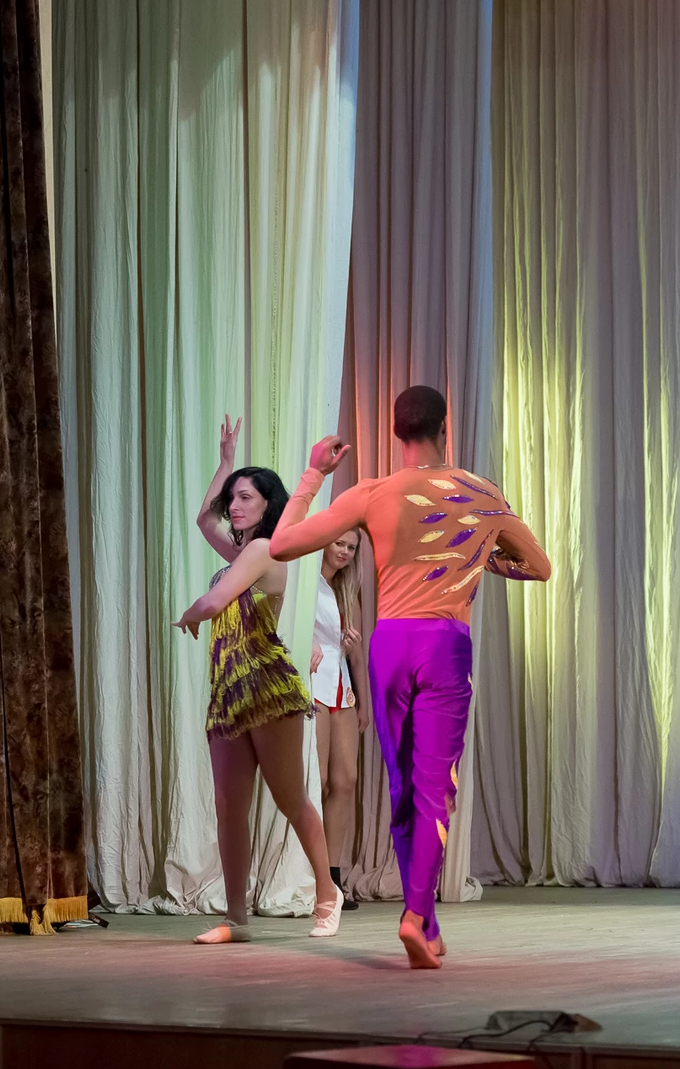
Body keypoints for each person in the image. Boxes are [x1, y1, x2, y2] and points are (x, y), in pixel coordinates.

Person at [269, 387, 551, 969]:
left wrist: (314, 475)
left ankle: (425, 919)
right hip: (443, 644)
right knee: (434, 786)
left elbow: (282, 543)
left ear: (397, 433)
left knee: (403, 786)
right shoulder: (481, 494)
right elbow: (539, 567)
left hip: (390, 644)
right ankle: (416, 916)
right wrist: (479, 555)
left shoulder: (371, 493)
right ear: (445, 427)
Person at [174, 415, 343, 944]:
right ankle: (236, 918)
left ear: (268, 506)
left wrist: (192, 613)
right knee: (229, 808)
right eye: (233, 497)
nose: (234, 505)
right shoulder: (241, 554)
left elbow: (215, 602)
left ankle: (327, 893)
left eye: (245, 497)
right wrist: (226, 463)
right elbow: (204, 519)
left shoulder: (265, 551)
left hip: (267, 687)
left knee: (292, 799)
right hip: (229, 691)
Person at [310, 529, 367, 911]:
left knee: (346, 779)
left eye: (351, 547)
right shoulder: (305, 583)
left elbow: (358, 654)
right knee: (318, 780)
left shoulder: (347, 591)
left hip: (342, 687)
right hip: (312, 684)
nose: (344, 552)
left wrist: (365, 703)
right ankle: (311, 875)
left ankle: (333, 876)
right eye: (340, 543)